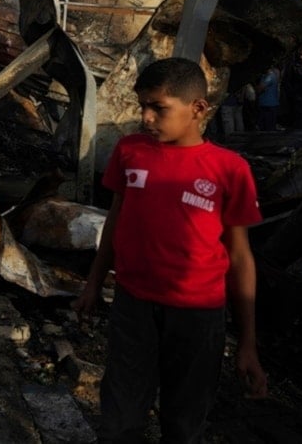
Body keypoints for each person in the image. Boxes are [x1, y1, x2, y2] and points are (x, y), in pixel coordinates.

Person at [72, 57, 268, 443]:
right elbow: (115, 221)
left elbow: (241, 256)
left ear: (198, 108)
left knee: (183, 422)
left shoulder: (229, 169)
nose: (145, 117)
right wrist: (93, 284)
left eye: (158, 108)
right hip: (133, 307)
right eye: (142, 105)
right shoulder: (131, 152)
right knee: (119, 418)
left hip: (198, 316)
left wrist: (247, 342)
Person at [255, 62, 281, 131]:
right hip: (265, 104)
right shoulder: (264, 76)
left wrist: (258, 88)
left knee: (269, 128)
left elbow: (260, 88)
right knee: (264, 127)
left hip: (269, 105)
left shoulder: (270, 76)